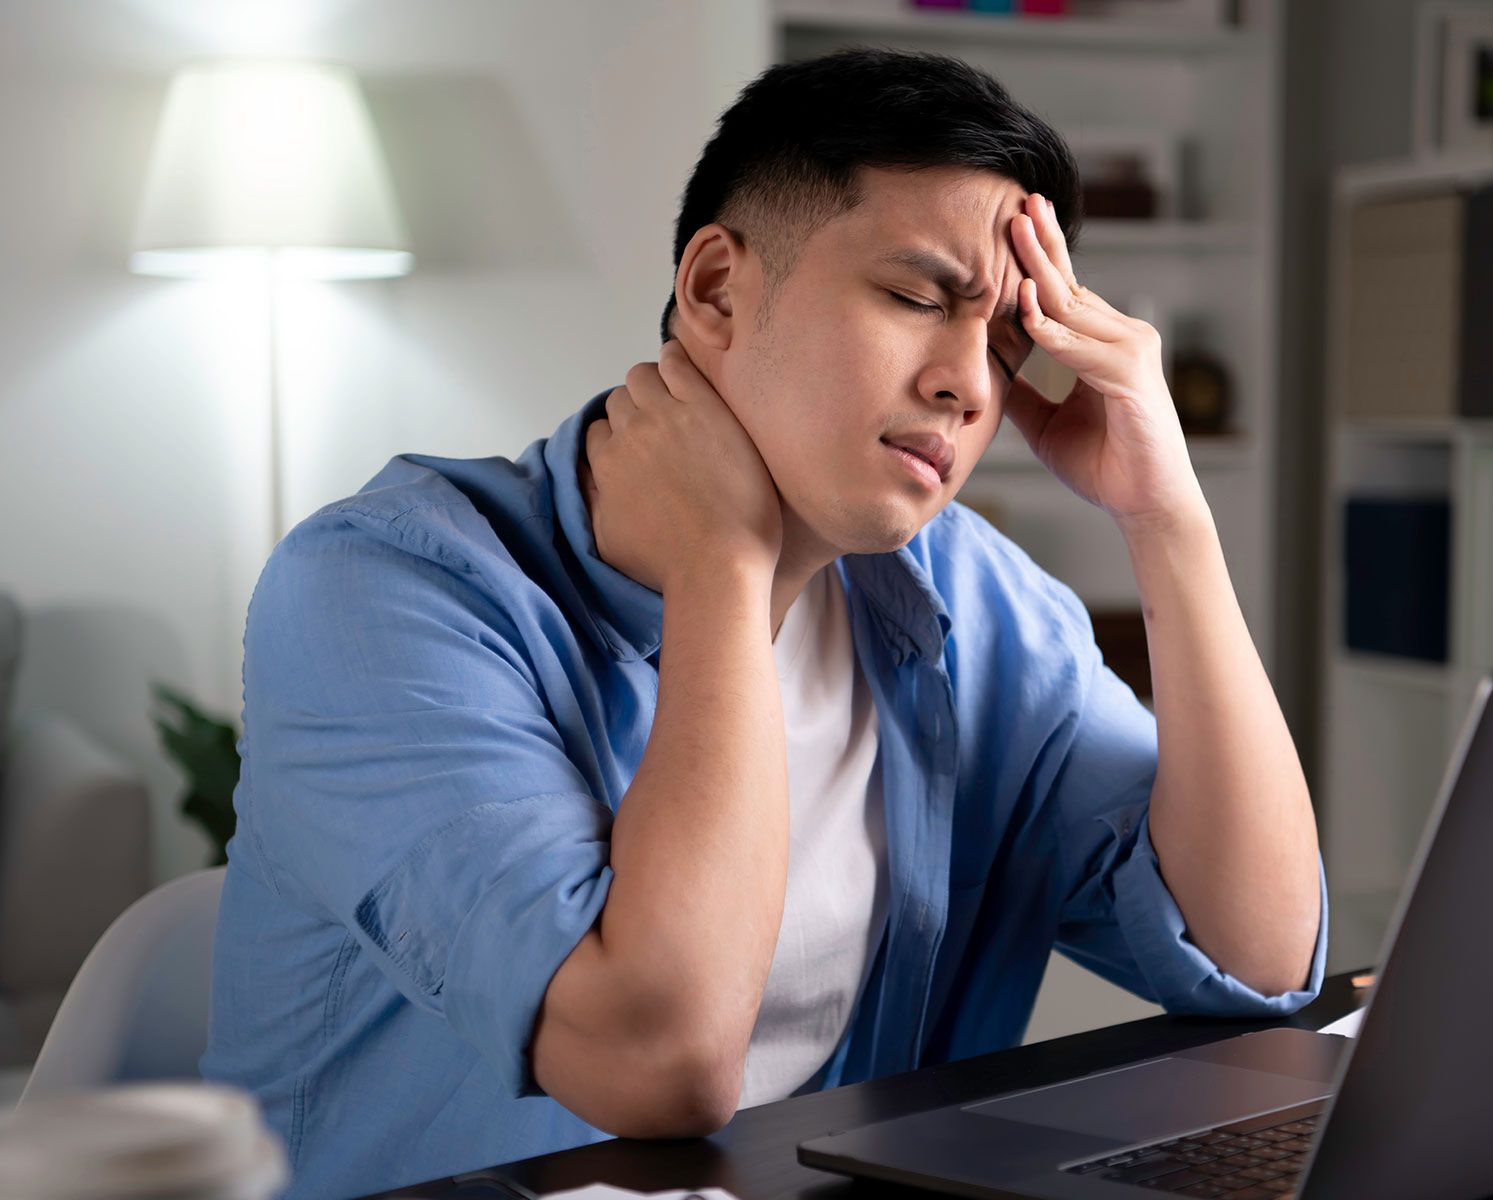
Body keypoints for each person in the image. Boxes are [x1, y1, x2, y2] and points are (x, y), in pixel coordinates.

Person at [202, 46, 1327, 1200]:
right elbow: (660, 1065)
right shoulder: (377, 595)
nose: (971, 387)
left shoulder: (979, 601)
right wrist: (722, 569)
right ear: (716, 289)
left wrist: (1169, 517)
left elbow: (1258, 954)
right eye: (915, 298)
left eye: (1003, 344)